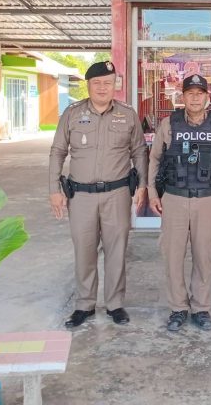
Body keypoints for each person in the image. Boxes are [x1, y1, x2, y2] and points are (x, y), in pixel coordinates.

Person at [49, 61, 148, 328]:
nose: (102, 88)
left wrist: (142, 185)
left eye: (107, 82)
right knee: (84, 250)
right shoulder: (72, 114)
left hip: (117, 194)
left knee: (116, 250)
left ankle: (115, 304)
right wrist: (54, 189)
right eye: (97, 83)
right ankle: (85, 304)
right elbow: (57, 152)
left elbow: (139, 151)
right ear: (88, 85)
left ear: (115, 84)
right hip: (80, 196)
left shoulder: (127, 114)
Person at [147, 74, 211, 332]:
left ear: (207, 97)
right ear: (183, 96)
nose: (195, 98)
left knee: (203, 256)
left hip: (207, 198)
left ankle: (201, 308)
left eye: (200, 93)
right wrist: (152, 192)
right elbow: (154, 159)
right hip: (174, 197)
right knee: (173, 256)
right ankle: (178, 307)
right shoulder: (169, 124)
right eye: (190, 93)